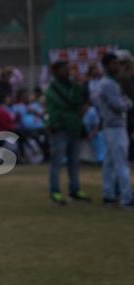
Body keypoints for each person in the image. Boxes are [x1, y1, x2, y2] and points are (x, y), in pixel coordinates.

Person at [45, 61, 90, 205]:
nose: (67, 72)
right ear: (55, 71)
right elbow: (68, 103)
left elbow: (80, 101)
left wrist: (77, 87)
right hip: (60, 127)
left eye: (68, 69)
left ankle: (75, 190)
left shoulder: (72, 86)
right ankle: (55, 192)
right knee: (56, 163)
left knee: (74, 162)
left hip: (74, 127)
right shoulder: (52, 88)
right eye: (64, 69)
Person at [98, 53, 133, 207]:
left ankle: (109, 194)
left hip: (110, 125)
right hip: (115, 125)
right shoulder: (109, 84)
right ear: (106, 66)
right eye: (114, 63)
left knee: (110, 162)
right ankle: (126, 198)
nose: (117, 66)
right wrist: (128, 103)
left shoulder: (109, 82)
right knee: (121, 162)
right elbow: (118, 105)